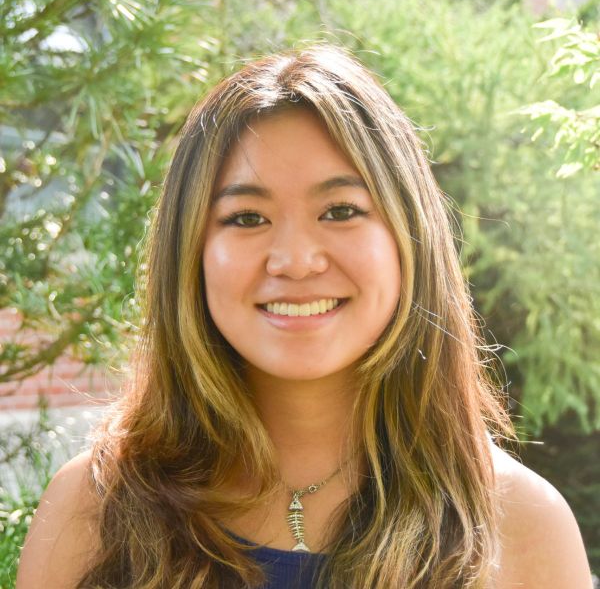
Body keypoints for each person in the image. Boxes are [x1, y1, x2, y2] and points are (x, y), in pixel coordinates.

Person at [16, 45, 592, 589]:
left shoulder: (520, 525)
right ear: (189, 254)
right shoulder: (90, 511)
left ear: (408, 238)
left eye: (340, 211)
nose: (294, 261)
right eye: (247, 218)